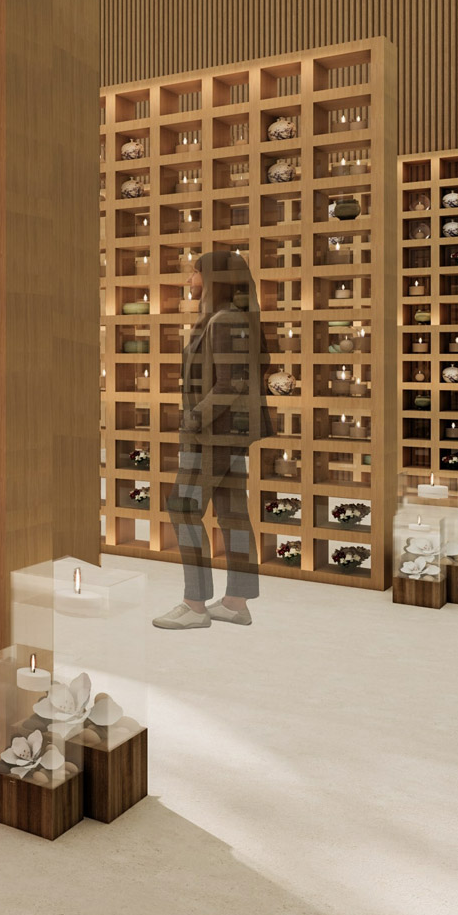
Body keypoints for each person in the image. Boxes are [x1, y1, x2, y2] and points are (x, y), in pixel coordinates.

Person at [152, 249, 264, 630]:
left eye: (194, 273)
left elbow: (233, 382)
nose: (188, 281)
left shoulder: (226, 320)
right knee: (232, 514)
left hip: (212, 435)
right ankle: (235, 602)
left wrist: (193, 420)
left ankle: (195, 604)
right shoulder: (223, 318)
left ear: (212, 278)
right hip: (222, 433)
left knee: (183, 508)